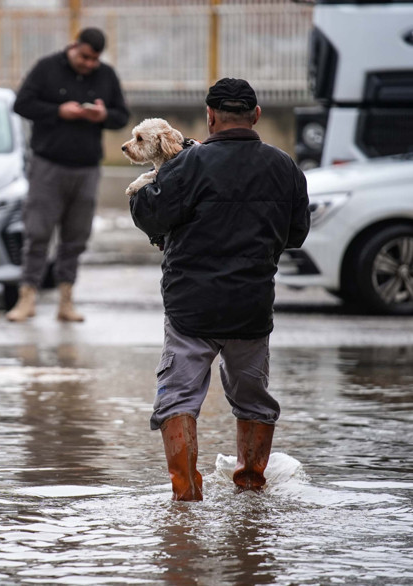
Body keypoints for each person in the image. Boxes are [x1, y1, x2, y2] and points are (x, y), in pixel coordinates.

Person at [129, 78, 310, 501]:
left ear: (210, 117)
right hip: (251, 307)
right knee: (253, 400)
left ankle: (187, 494)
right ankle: (250, 483)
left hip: (190, 307)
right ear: (257, 116)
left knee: (178, 398)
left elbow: (152, 217)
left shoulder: (187, 165)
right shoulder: (284, 167)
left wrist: (140, 197)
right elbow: (296, 234)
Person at [7, 27, 129, 322]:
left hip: (87, 168)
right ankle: (27, 298)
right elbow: (21, 103)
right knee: (37, 233)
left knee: (75, 237)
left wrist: (103, 116)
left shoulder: (106, 76)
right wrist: (59, 111)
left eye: (94, 59)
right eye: (85, 56)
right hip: (48, 165)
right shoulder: (47, 68)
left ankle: (66, 301)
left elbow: (122, 116)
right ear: (74, 46)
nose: (89, 64)